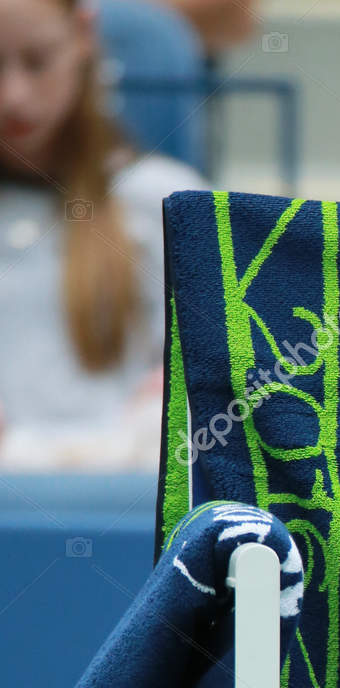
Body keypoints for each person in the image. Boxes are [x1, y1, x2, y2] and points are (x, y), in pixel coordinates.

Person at [0, 0, 204, 469]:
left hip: (132, 492)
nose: (14, 96)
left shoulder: (166, 201)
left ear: (83, 36)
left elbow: (216, 386)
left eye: (37, 61)